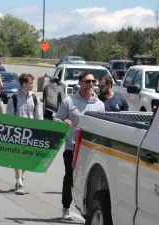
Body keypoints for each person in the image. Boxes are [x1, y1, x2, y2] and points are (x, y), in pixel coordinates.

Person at [55, 72, 105, 220]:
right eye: (88, 81)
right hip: (72, 148)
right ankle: (65, 207)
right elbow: (57, 118)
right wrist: (63, 123)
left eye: (93, 81)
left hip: (92, 151)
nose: (91, 84)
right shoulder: (69, 102)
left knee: (88, 181)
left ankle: (87, 212)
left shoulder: (99, 105)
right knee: (70, 178)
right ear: (81, 83)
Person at [6, 73, 43, 195]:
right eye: (31, 83)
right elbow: (9, 118)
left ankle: (19, 179)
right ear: (24, 84)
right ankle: (19, 182)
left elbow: (39, 117)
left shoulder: (35, 99)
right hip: (17, 133)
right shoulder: (14, 99)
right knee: (18, 158)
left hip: (31, 134)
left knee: (28, 159)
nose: (33, 85)